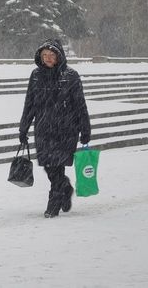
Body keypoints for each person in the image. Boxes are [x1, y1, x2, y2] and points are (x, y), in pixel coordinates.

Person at [19, 39, 91, 218]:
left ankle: (54, 202)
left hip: (66, 129)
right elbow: (30, 103)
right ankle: (65, 188)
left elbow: (80, 105)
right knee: (49, 166)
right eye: (44, 56)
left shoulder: (71, 76)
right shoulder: (36, 75)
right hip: (43, 129)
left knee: (57, 165)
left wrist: (85, 129)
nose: (48, 59)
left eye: (51, 56)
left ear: (59, 56)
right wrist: (23, 127)